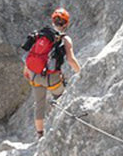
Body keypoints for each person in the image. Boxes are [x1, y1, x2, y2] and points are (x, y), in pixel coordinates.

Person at [22, 7, 81, 139]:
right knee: (62, 96)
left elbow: (32, 52)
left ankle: (40, 135)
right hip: (52, 79)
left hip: (34, 75)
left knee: (39, 104)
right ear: (66, 23)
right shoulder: (65, 39)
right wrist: (81, 73)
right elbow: (71, 60)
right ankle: (58, 125)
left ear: (53, 20)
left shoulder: (42, 33)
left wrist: (27, 70)